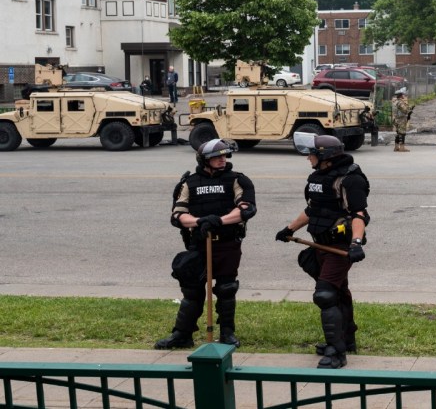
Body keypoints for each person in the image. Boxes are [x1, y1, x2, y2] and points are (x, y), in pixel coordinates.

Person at [276, 133, 369, 369]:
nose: (309, 159)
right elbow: (312, 209)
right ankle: (346, 339)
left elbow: (358, 215)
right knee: (339, 293)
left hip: (339, 247)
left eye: (312, 155)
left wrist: (356, 243)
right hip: (320, 244)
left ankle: (336, 353)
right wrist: (289, 229)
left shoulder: (350, 180)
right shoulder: (318, 178)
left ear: (325, 157)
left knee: (325, 295)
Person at [155, 138, 256, 350]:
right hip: (199, 243)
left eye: (224, 156)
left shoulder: (237, 180)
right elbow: (178, 215)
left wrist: (219, 221)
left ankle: (227, 333)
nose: (222, 159)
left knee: (227, 288)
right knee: (192, 291)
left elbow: (246, 210)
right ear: (204, 160)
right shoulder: (188, 183)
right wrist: (200, 222)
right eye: (216, 157)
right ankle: (182, 334)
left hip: (227, 243)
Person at [391, 87, 414, 152]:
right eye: (403, 95)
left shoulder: (395, 102)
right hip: (401, 119)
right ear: (401, 95)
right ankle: (402, 148)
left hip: (396, 119)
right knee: (402, 133)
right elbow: (405, 110)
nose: (404, 95)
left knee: (398, 133)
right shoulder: (400, 102)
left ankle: (396, 147)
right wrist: (410, 108)